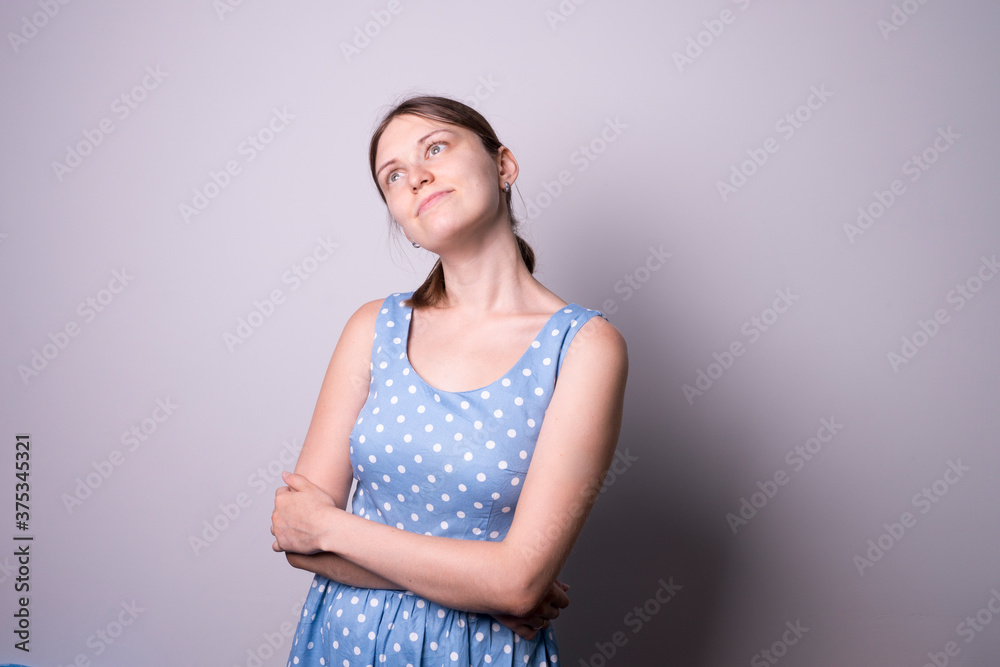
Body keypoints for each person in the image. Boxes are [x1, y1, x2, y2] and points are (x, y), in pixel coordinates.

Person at [270, 94, 628, 666]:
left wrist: (329, 527)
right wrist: (481, 585)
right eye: (393, 176)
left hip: (478, 652)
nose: (417, 177)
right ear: (404, 223)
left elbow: (515, 585)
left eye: (435, 148)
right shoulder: (372, 327)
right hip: (343, 642)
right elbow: (295, 537)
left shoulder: (583, 348)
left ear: (504, 165)